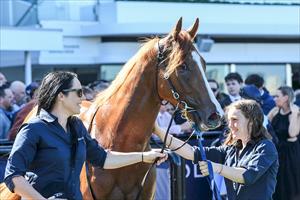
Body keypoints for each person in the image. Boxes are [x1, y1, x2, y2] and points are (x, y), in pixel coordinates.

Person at [4, 71, 167, 200]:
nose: (83, 97)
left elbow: (103, 159)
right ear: (61, 96)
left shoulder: (76, 126)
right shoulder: (33, 129)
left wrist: (144, 156)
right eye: (78, 92)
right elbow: (13, 177)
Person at [155, 99, 278, 200]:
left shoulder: (266, 147)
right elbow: (191, 152)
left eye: (234, 120)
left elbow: (246, 175)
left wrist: (216, 167)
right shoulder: (230, 149)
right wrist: (157, 130)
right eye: (229, 120)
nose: (229, 125)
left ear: (251, 121)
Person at [268, 86, 300, 200]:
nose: (274, 98)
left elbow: (292, 133)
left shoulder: (296, 112)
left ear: (286, 97)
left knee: (290, 183)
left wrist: (294, 114)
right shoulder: (275, 111)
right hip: (276, 151)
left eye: (277, 96)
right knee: (277, 183)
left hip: (291, 153)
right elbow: (266, 128)